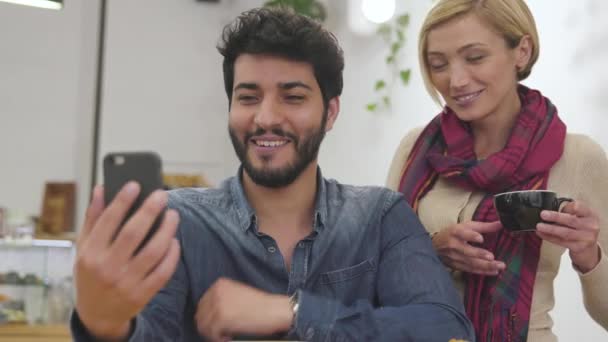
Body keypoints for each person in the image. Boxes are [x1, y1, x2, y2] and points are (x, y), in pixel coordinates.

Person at [71, 7, 474, 342]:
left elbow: (445, 329)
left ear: (330, 112)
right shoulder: (179, 223)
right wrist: (104, 324)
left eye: (292, 97)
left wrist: (295, 311)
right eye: (248, 97)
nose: (265, 118)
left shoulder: (380, 216)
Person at [386, 0, 608, 341]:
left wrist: (588, 255)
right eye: (438, 64)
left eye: (474, 57)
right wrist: (429, 250)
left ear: (522, 50)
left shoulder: (578, 157)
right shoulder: (416, 149)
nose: (456, 80)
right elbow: (371, 267)